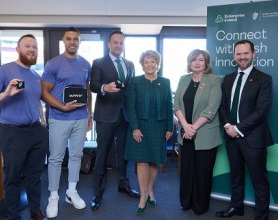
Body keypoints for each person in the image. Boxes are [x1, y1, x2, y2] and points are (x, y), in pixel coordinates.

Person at [0, 34, 48, 220]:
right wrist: (5, 94)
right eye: (27, 45)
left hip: (37, 132)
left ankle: (35, 210)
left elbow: (36, 101)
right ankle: (12, 215)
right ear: (17, 49)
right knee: (13, 177)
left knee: (35, 175)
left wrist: (42, 122)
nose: (31, 49)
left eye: (34, 46)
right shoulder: (2, 72)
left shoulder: (35, 75)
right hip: (13, 133)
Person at [216, 40, 274, 220]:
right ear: (234, 56)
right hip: (231, 137)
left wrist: (238, 129)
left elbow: (261, 111)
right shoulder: (228, 79)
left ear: (253, 54)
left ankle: (262, 217)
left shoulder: (264, 79)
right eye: (238, 54)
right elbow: (223, 106)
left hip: (253, 138)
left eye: (246, 53)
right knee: (236, 176)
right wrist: (228, 127)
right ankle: (236, 207)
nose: (242, 57)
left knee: (259, 181)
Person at [41, 27, 92, 218]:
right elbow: (44, 92)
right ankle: (53, 196)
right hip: (59, 117)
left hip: (80, 117)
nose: (72, 42)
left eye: (76, 39)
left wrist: (89, 115)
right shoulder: (53, 64)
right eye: (69, 39)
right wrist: (62, 107)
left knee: (76, 155)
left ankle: (71, 192)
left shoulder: (85, 63)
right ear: (64, 41)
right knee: (55, 157)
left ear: (80, 42)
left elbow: (87, 91)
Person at [89, 30, 140, 211]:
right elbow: (93, 85)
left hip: (124, 115)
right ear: (109, 44)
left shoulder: (130, 64)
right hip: (105, 115)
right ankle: (98, 191)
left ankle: (123, 184)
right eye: (115, 42)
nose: (118, 45)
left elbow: (131, 88)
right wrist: (104, 87)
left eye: (121, 43)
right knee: (102, 154)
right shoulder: (98, 63)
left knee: (123, 153)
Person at [174, 49, 222, 215]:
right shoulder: (183, 79)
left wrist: (192, 127)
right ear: (189, 62)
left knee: (203, 171)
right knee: (186, 170)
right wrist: (186, 126)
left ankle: (200, 205)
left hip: (205, 134)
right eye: (194, 59)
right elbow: (176, 105)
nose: (197, 62)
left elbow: (212, 108)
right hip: (185, 133)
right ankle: (186, 202)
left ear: (206, 63)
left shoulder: (214, 80)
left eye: (201, 60)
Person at [125, 50, 173, 214]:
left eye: (153, 61)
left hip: (159, 127)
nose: (150, 64)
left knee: (154, 160)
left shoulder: (165, 82)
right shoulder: (135, 82)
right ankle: (143, 195)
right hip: (140, 127)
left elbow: (169, 106)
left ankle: (151, 190)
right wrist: (135, 128)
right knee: (142, 161)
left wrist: (169, 127)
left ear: (157, 64)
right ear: (142, 64)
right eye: (146, 62)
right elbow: (130, 106)